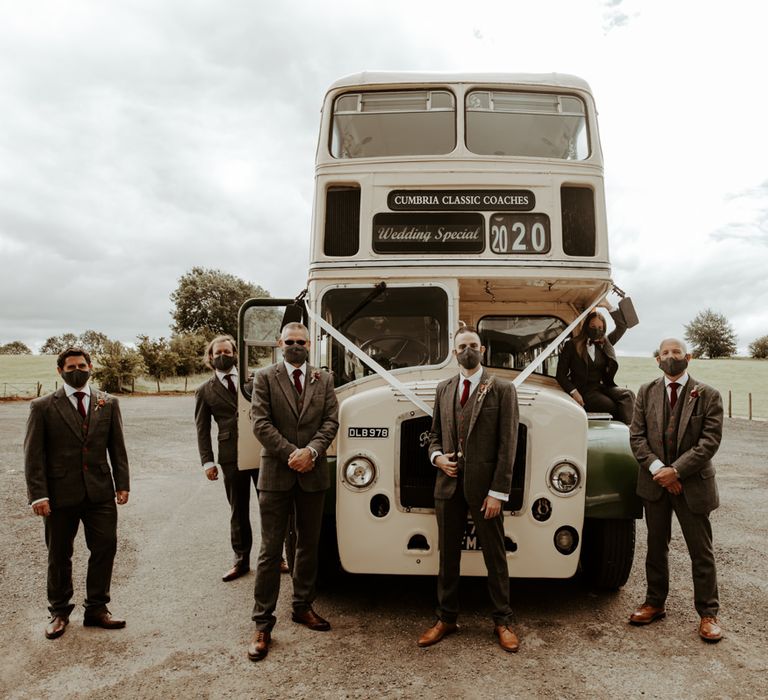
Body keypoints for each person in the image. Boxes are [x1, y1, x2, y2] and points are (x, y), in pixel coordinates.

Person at [418, 326, 520, 653]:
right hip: (447, 488)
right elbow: (434, 434)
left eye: (473, 345)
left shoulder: (502, 390)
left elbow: (508, 446)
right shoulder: (444, 389)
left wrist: (498, 492)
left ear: (483, 350)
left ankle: (502, 621)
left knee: (495, 556)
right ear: (454, 352)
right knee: (447, 557)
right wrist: (437, 458)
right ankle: (446, 618)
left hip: (485, 490)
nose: (468, 351)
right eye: (462, 347)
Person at [247, 322, 339, 661]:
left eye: (301, 341)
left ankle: (302, 606)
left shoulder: (324, 379)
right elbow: (260, 422)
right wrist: (292, 454)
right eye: (290, 342)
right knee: (271, 551)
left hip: (312, 475)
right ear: (279, 343)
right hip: (277, 474)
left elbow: (331, 421)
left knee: (308, 545)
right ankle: (262, 624)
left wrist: (311, 452)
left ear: (309, 345)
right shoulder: (265, 377)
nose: (296, 346)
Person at [24, 347, 130, 639]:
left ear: (91, 367)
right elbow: (33, 455)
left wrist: (122, 484)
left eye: (81, 365)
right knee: (59, 554)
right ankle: (59, 612)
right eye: (70, 367)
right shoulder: (43, 407)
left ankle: (97, 608)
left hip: (100, 492)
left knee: (105, 547)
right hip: (59, 496)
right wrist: (38, 495)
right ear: (59, 372)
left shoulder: (108, 403)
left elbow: (117, 448)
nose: (76, 371)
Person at [628, 338, 724, 642]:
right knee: (656, 548)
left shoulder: (708, 394)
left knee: (701, 551)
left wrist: (677, 471)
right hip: (655, 484)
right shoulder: (645, 392)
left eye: (676, 352)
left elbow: (709, 442)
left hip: (692, 485)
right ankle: (654, 603)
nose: (671, 357)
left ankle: (708, 614)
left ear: (689, 357)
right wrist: (660, 471)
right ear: (658, 360)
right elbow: (637, 437)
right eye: (665, 353)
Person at [195, 334, 262, 582]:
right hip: (230, 456)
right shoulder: (204, 391)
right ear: (210, 357)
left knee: (271, 506)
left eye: (227, 351)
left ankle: (277, 557)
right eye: (217, 353)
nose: (223, 356)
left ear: (236, 354)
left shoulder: (255, 379)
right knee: (238, 509)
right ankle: (241, 560)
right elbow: (202, 429)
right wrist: (208, 462)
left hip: (260, 450)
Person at [556, 303, 634, 424]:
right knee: (611, 406)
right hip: (584, 391)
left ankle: (632, 431)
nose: (596, 330)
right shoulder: (571, 345)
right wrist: (574, 392)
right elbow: (560, 374)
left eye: (600, 328)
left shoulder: (605, 343)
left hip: (603, 387)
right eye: (593, 326)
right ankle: (623, 433)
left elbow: (622, 326)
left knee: (628, 395)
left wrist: (608, 306)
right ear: (586, 326)